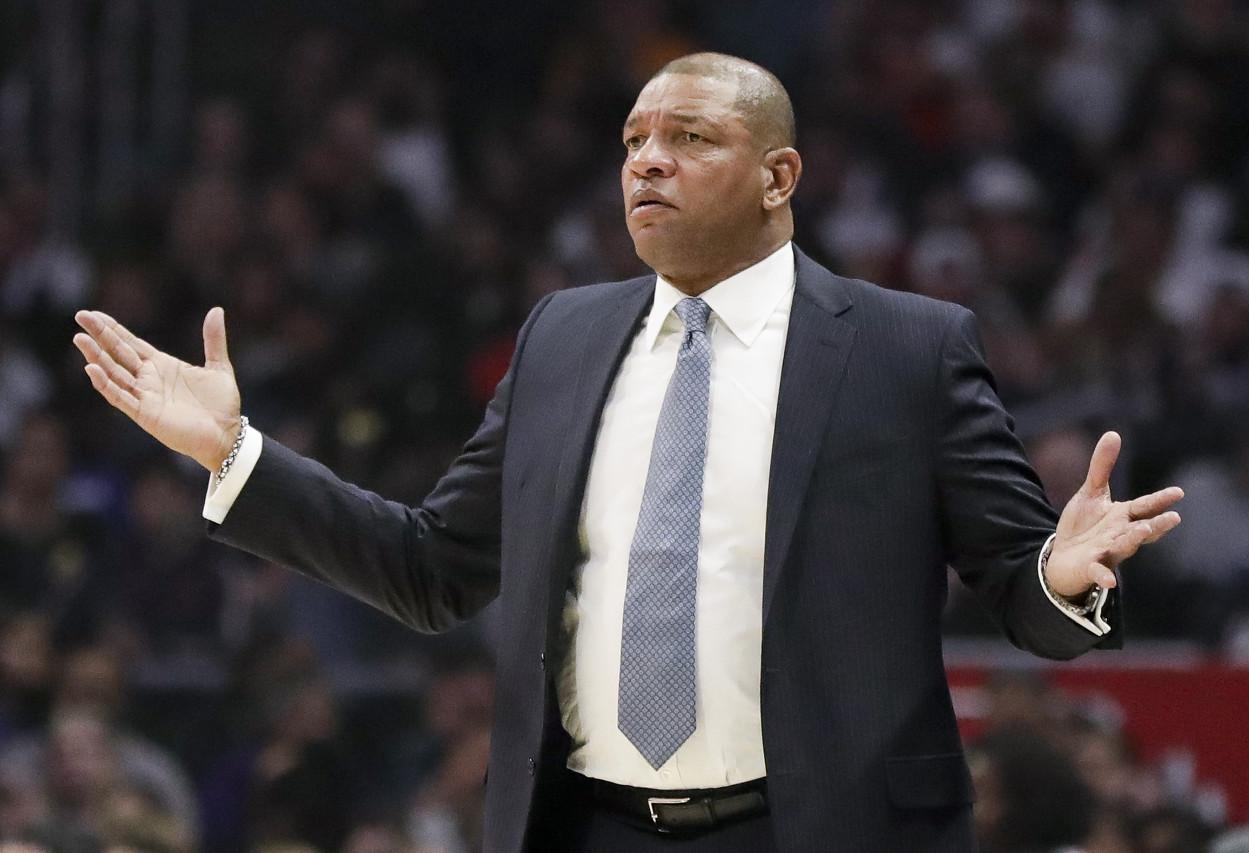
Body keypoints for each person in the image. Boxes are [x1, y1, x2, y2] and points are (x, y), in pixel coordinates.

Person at [72, 53, 1184, 853]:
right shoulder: (562, 337)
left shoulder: (907, 348)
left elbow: (1017, 590)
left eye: (689, 138)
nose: (648, 162)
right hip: (587, 824)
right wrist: (236, 454)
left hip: (817, 827)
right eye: (634, 141)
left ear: (779, 177)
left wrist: (1057, 574)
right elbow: (430, 567)